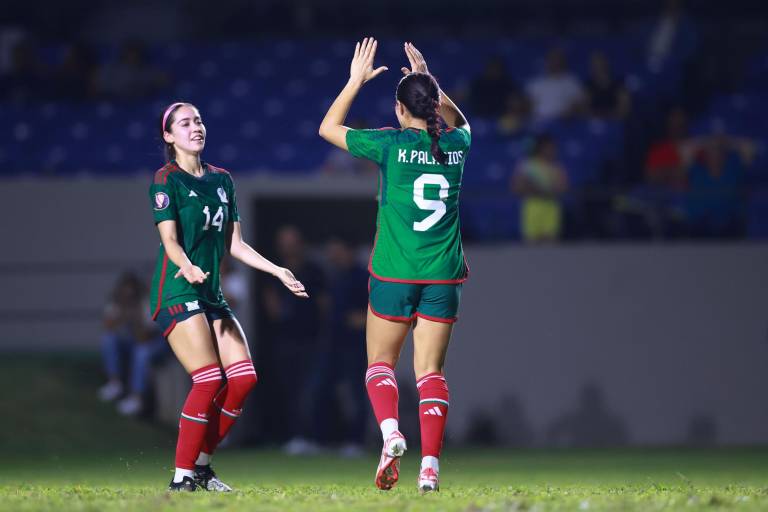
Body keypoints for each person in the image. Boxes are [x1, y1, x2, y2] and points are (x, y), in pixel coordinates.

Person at [319, 39, 471, 493]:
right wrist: (430, 82)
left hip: (394, 272)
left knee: (380, 364)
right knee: (431, 374)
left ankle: (390, 433)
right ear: (433, 106)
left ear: (399, 110)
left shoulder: (389, 144)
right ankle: (430, 469)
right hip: (443, 274)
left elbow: (328, 128)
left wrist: (353, 81)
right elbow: (460, 122)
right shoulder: (458, 145)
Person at [149, 102, 308, 492]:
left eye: (199, 120)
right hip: (179, 289)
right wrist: (186, 266)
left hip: (211, 295)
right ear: (169, 136)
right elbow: (169, 240)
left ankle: (201, 467)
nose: (195, 127)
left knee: (243, 380)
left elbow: (235, 244)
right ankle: (181, 476)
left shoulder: (222, 180)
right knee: (207, 380)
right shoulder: (165, 179)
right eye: (184, 123)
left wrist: (276, 269)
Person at [97, 271, 169, 416]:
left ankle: (137, 398)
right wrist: (123, 313)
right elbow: (107, 325)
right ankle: (114, 383)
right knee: (108, 339)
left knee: (141, 352)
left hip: (151, 342)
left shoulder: (145, 304)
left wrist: (135, 316)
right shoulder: (117, 303)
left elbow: (144, 336)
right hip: (128, 342)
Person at [511, 135, 569, 243]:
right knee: (532, 243)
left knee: (551, 242)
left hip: (551, 206)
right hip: (533, 205)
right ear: (540, 148)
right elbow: (517, 187)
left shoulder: (557, 167)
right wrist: (534, 188)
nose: (551, 151)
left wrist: (549, 190)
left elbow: (563, 187)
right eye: (548, 147)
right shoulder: (527, 166)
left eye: (553, 148)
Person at [525, 48, 584, 123]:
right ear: (546, 62)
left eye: (557, 60)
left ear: (562, 62)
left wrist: (572, 111)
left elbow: (580, 103)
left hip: (563, 122)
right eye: (551, 60)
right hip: (539, 122)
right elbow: (527, 105)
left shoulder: (571, 81)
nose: (554, 63)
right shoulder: (536, 82)